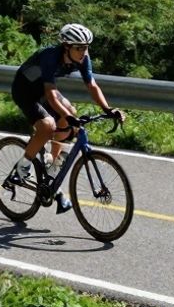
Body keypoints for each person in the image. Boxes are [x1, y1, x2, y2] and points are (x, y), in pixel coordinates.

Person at [9, 23, 124, 213]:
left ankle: (53, 169)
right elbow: (51, 92)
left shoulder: (83, 58)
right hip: (25, 90)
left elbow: (92, 85)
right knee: (48, 125)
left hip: (43, 91)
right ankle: (22, 168)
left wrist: (108, 109)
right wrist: (66, 116)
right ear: (66, 47)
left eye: (86, 47)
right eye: (79, 48)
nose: (83, 52)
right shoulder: (50, 57)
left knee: (70, 112)